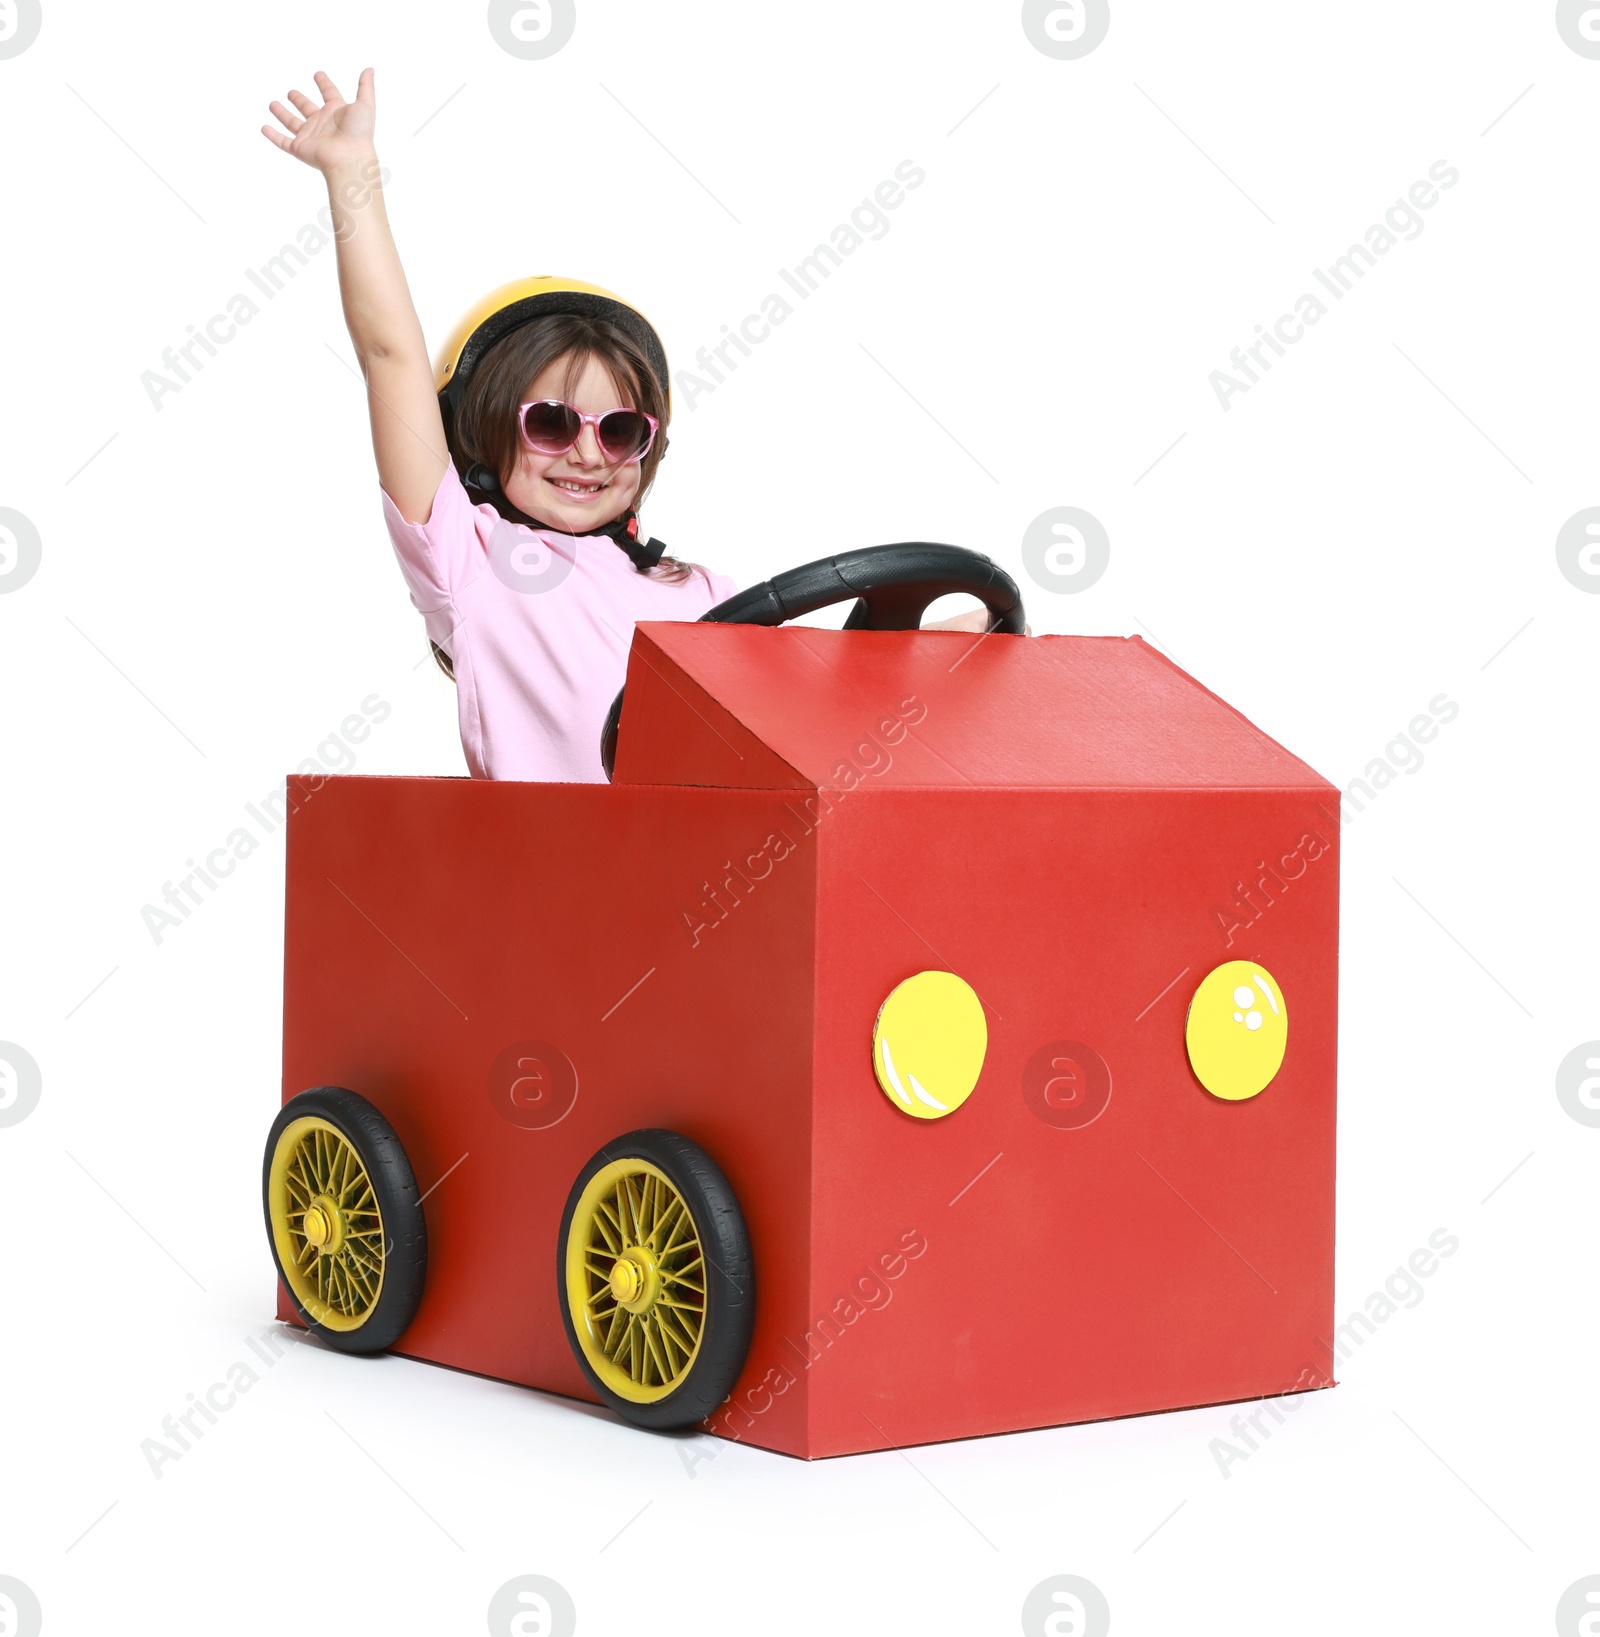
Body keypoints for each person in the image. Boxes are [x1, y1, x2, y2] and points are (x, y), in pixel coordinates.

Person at [262, 69, 999, 782]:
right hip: (564, 885)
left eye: (618, 431)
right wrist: (350, 174)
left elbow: (830, 682)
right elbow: (389, 355)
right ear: (480, 430)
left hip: (708, 881)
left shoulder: (702, 592)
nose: (588, 452)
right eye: (551, 422)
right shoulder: (468, 557)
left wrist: (976, 628)